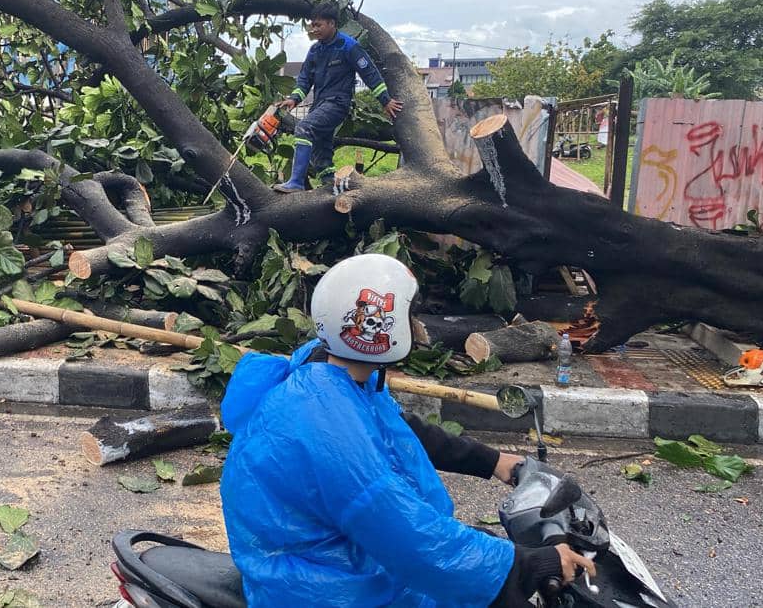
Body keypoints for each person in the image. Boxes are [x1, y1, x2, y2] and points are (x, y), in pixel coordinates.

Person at [220, 254, 596, 607]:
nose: (418, 325)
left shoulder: (333, 377)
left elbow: (398, 430)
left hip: (331, 554)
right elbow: (410, 539)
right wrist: (531, 566)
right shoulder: (330, 428)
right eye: (411, 314)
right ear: (383, 326)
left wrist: (496, 461)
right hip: (324, 586)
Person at [273, 4, 404, 193]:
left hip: (337, 104)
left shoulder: (348, 46)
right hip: (320, 104)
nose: (314, 29)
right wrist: (294, 98)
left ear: (331, 23)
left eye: (318, 25)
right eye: (312, 25)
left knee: (304, 128)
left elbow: (370, 73)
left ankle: (296, 182)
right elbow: (304, 79)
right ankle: (330, 185)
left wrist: (385, 100)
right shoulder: (315, 51)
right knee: (320, 145)